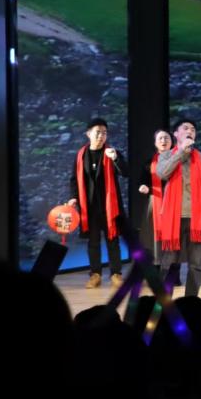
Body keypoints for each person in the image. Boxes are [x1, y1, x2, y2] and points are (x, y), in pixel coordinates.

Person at [156, 118, 201, 298]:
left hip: (195, 217)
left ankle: (191, 301)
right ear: (176, 134)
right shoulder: (166, 155)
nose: (190, 131)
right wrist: (181, 152)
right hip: (173, 217)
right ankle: (164, 301)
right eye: (185, 128)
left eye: (193, 129)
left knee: (196, 264)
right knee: (168, 262)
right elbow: (162, 173)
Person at [68, 118, 129, 289]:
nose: (101, 136)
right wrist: (73, 197)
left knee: (113, 241)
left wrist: (115, 158)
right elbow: (74, 179)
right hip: (89, 207)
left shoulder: (112, 152)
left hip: (110, 207)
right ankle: (95, 274)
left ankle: (116, 274)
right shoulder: (81, 155)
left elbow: (126, 172)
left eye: (104, 133)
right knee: (93, 242)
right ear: (88, 134)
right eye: (98, 132)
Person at [137, 129, 173, 272]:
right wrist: (143, 186)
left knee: (173, 235)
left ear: (172, 141)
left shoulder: (179, 160)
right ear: (155, 143)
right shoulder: (149, 162)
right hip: (155, 200)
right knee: (153, 236)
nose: (164, 141)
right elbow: (142, 180)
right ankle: (156, 267)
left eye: (166, 138)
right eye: (160, 138)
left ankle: (172, 270)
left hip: (174, 201)